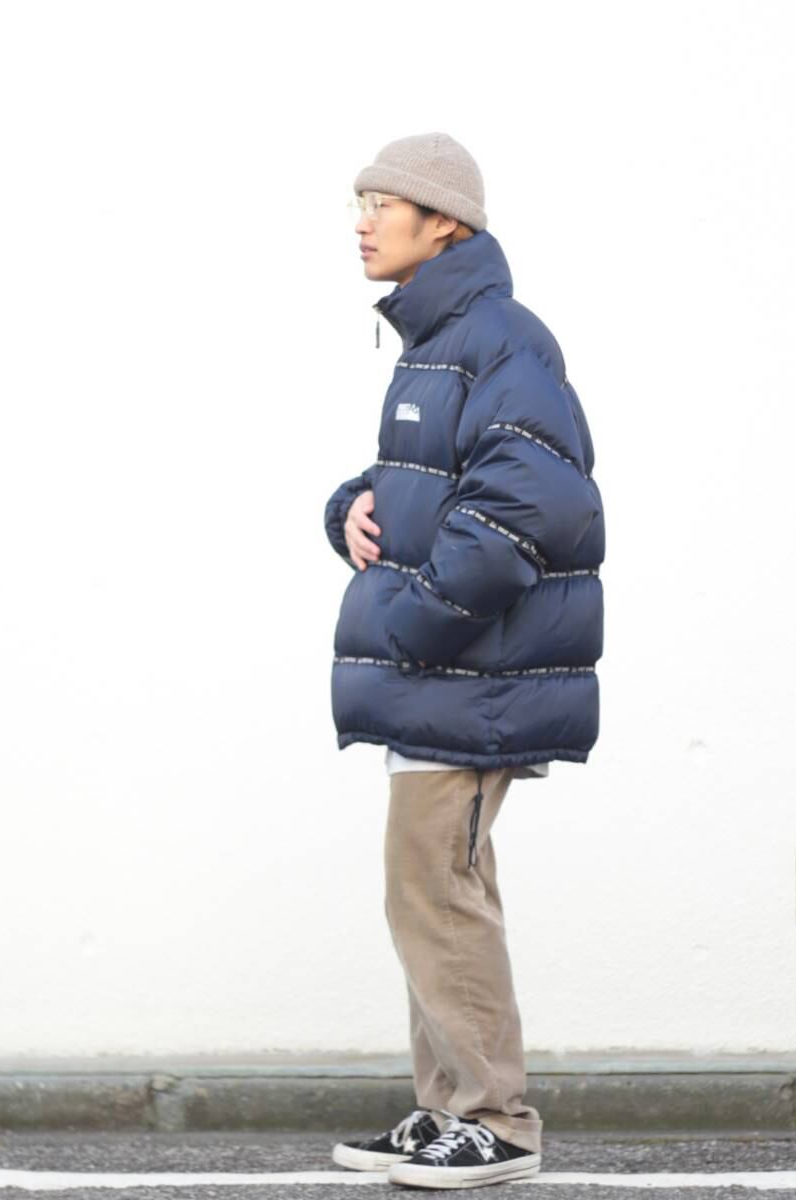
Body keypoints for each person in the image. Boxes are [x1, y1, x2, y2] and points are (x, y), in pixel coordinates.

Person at [324, 132, 605, 1190]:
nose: (362, 222)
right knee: (425, 892)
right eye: (357, 203)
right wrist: (348, 507)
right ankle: (446, 1109)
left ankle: (494, 1119)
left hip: (472, 678)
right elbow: (426, 478)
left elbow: (535, 503)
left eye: (380, 203)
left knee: (439, 891)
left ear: (442, 220)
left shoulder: (500, 339)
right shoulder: (442, 340)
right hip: (442, 679)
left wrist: (421, 618)